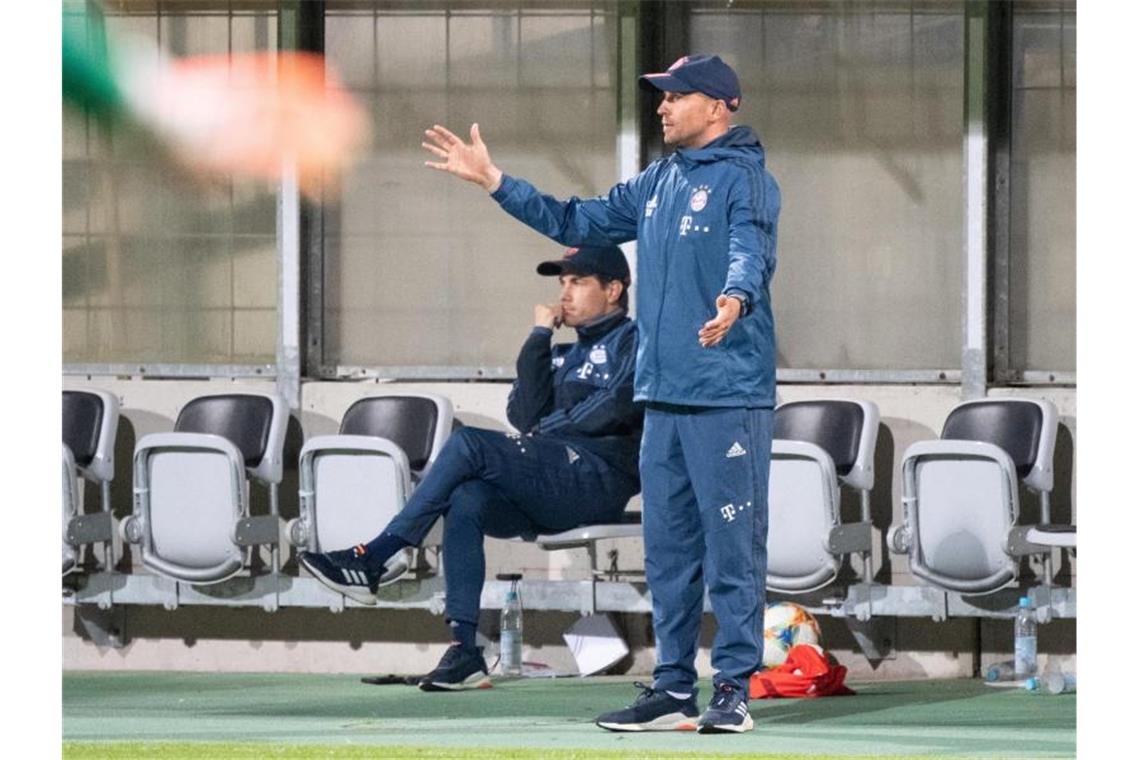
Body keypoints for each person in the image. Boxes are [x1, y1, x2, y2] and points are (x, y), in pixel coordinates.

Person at [421, 54, 780, 733]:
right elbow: (576, 221)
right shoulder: (657, 182)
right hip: (662, 401)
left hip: (726, 397)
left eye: (678, 97)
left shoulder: (747, 182)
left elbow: (750, 251)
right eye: (662, 98)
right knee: (670, 552)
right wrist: (496, 182)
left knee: (732, 551)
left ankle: (732, 690)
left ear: (721, 104)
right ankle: (674, 689)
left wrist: (735, 297)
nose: (663, 108)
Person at [300, 245, 641, 692]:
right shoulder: (560, 354)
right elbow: (523, 416)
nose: (565, 294)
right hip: (553, 480)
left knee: (467, 444)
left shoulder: (636, 341)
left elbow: (612, 405)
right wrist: (538, 338)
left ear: (613, 289)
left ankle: (376, 555)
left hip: (597, 481)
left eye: (577, 282)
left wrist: (549, 430)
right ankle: (464, 649)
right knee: (467, 498)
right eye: (562, 283)